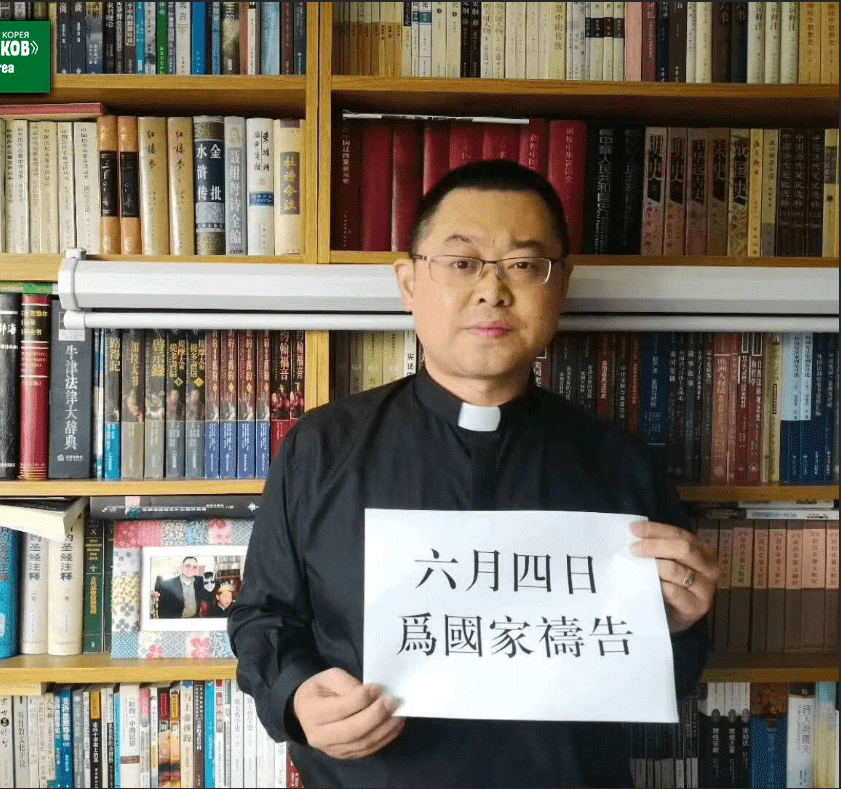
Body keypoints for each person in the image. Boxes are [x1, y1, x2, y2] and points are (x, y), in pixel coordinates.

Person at [228, 160, 720, 788]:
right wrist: (297, 696)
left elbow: (664, 683)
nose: (493, 290)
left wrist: (677, 623)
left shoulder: (623, 464)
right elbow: (263, 616)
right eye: (462, 263)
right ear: (409, 283)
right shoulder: (321, 448)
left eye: (524, 264)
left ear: (561, 285)